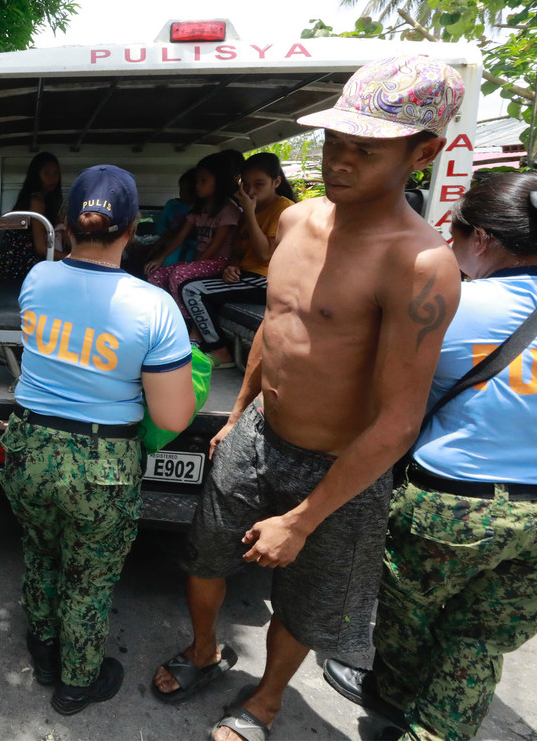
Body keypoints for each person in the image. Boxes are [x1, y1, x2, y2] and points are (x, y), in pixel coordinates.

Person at [149, 54, 465, 741]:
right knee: (203, 554)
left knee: (308, 599)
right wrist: (236, 416)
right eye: (333, 143)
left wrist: (305, 518)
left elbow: (400, 419)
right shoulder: (297, 224)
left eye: (364, 149)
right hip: (260, 433)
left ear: (424, 152)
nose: (339, 161)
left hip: (338, 467)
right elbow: (275, 326)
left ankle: (264, 701)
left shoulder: (419, 265)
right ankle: (205, 650)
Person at [323, 173, 537, 741]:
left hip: (454, 504)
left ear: (483, 239)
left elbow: (383, 393)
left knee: (408, 609)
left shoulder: (455, 305)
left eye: (456, 231)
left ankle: (392, 695)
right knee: (480, 639)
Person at [0, 165, 195, 716]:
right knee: (89, 576)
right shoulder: (154, 306)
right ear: (133, 228)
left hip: (28, 447)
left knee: (40, 551)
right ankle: (77, 681)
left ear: (65, 225)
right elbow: (173, 414)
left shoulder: (39, 280)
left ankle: (42, 652)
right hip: (101, 463)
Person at [180, 153, 296, 366]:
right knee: (192, 285)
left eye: (259, 184)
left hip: (267, 280)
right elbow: (238, 252)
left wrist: (249, 214)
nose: (250, 191)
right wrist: (231, 267)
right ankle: (197, 340)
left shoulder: (284, 209)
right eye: (246, 185)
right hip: (247, 275)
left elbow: (264, 255)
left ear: (276, 182)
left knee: (192, 289)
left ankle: (219, 351)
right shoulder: (248, 211)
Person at [143, 150, 244, 354]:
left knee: (179, 274)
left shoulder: (229, 210)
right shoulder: (199, 208)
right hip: (201, 262)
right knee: (155, 275)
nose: (197, 185)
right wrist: (161, 257)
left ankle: (189, 328)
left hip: (219, 261)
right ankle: (164, 321)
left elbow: (216, 246)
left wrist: (192, 265)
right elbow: (180, 236)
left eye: (203, 180)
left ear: (219, 181)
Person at [0, 151, 63, 285]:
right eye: (47, 173)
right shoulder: (36, 200)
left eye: (56, 173)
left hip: (24, 262)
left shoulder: (46, 201)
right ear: (36, 175)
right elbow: (41, 248)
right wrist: (71, 257)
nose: (52, 178)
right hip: (19, 264)